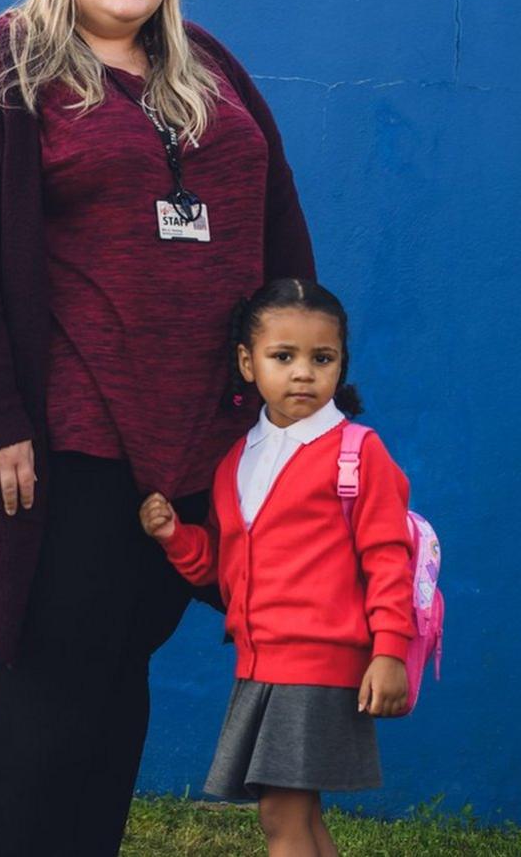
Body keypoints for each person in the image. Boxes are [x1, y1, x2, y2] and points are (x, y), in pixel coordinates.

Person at [0, 0, 314, 853]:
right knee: (50, 670)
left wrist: (305, 403)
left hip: (199, 435)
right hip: (66, 433)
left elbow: (279, 221)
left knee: (123, 663)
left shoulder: (205, 64)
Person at [139, 278, 414, 857]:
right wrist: (174, 538)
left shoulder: (359, 453)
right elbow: (224, 567)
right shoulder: (236, 460)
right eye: (282, 356)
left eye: (323, 358)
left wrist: (389, 651)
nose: (303, 373)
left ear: (342, 364)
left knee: (279, 817)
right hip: (260, 664)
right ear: (247, 362)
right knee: (301, 817)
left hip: (317, 663)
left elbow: (389, 557)